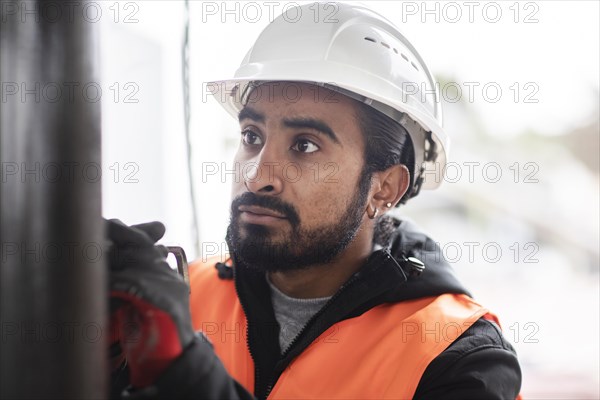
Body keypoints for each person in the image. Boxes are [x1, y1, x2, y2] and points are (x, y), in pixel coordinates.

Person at [108, 2, 522, 399]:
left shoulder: (458, 359)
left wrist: (182, 374)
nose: (257, 175)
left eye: (304, 145)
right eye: (252, 137)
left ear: (384, 189)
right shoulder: (185, 295)